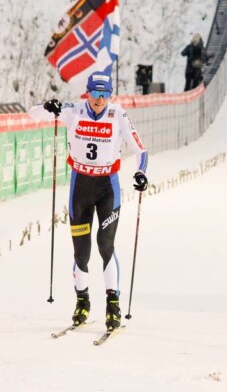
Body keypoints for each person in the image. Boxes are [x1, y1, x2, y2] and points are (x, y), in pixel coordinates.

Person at [28, 71, 149, 330]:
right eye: (95, 93)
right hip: (80, 188)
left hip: (107, 188)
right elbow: (33, 113)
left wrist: (141, 173)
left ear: (110, 95)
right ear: (88, 92)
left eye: (105, 94)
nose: (99, 99)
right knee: (81, 252)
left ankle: (113, 305)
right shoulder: (74, 110)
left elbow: (141, 150)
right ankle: (82, 302)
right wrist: (48, 106)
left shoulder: (118, 114)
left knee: (106, 245)